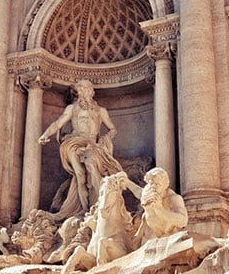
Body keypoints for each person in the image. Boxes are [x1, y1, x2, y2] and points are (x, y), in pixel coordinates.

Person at [38, 80, 124, 219]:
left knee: (92, 169)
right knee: (79, 174)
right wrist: (45, 134)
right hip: (74, 143)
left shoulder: (101, 111)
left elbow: (113, 129)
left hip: (92, 144)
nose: (83, 92)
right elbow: (58, 123)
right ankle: (84, 209)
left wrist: (105, 138)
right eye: (81, 90)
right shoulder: (72, 109)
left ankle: (98, 204)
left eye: (86, 89)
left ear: (92, 91)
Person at [122, 167, 188, 244]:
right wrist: (127, 182)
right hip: (149, 236)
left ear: (165, 185)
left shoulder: (173, 198)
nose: (153, 188)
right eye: (151, 184)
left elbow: (183, 221)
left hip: (167, 237)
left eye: (157, 184)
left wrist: (160, 210)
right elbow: (139, 193)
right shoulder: (149, 191)